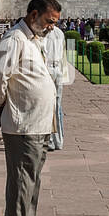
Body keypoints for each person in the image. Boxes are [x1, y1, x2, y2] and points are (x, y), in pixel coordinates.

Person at [0, 0, 61, 216]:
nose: (52, 26)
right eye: (48, 21)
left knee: (30, 191)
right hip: (24, 128)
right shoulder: (14, 39)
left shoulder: (34, 40)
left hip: (38, 126)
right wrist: (4, 106)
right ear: (33, 15)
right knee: (20, 191)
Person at [43, 21, 68, 151]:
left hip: (47, 70)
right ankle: (58, 140)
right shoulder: (59, 32)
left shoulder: (43, 34)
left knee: (49, 106)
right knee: (57, 106)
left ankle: (51, 141)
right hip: (57, 70)